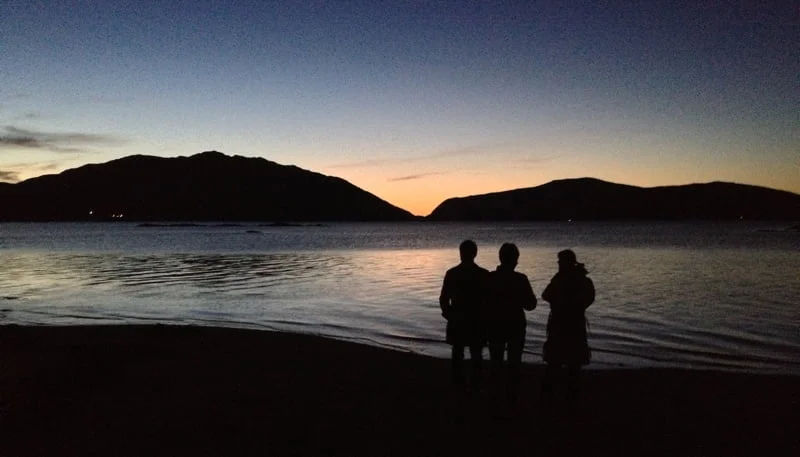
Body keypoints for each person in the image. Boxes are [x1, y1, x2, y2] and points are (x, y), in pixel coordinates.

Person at [541, 249, 595, 408]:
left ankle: (552, 398)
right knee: (573, 364)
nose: (558, 264)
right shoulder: (583, 280)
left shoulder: (560, 279)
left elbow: (545, 295)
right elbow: (589, 298)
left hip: (560, 324)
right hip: (575, 324)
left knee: (555, 363)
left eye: (559, 261)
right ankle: (570, 398)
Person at [486, 243, 537, 404]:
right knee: (514, 363)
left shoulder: (491, 278)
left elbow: (483, 302)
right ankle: (511, 398)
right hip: (515, 326)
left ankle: (495, 396)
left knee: (496, 362)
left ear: (500, 258)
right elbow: (531, 305)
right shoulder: (520, 279)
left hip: (495, 325)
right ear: (516, 260)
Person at [439, 239, 489, 393]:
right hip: (475, 320)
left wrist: (449, 314)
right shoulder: (483, 274)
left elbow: (443, 299)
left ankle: (459, 385)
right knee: (476, 354)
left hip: (458, 320)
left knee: (458, 353)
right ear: (475, 254)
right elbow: (489, 300)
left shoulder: (452, 273)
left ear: (461, 253)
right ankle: (474, 385)